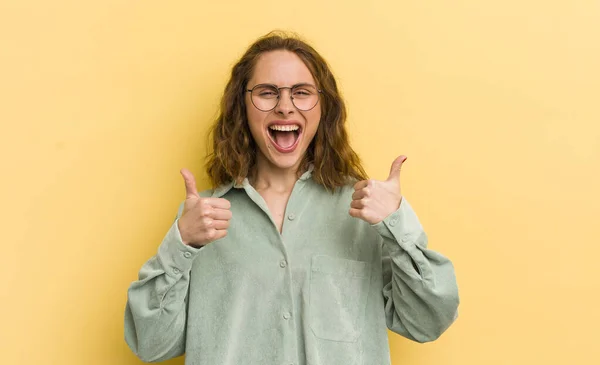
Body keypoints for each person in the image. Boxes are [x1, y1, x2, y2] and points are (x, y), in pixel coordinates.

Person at [124, 31, 459, 365]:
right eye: (267, 93)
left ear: (322, 107)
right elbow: (151, 344)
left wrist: (397, 221)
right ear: (242, 105)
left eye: (301, 93)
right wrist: (182, 243)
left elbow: (428, 321)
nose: (285, 107)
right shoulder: (201, 220)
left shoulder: (365, 212)